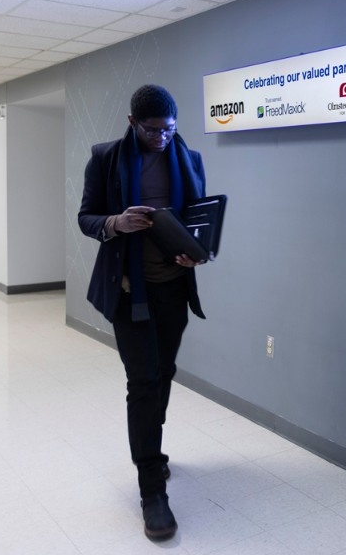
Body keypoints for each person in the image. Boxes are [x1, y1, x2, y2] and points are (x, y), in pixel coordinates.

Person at [77, 84, 207, 542]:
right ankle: (152, 488)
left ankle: (153, 446)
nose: (162, 137)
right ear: (132, 123)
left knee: (164, 373)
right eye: (152, 130)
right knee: (144, 383)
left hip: (173, 288)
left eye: (169, 129)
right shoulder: (105, 159)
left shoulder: (189, 159)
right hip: (130, 291)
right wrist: (116, 223)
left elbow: (198, 221)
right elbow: (86, 217)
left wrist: (196, 251)